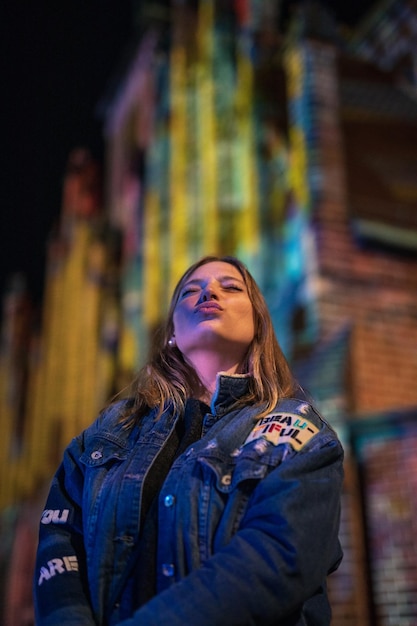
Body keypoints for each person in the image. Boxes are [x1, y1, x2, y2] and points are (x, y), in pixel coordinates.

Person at [33, 255, 344, 626]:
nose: (209, 292)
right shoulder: (109, 430)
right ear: (172, 334)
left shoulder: (295, 429)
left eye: (230, 287)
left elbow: (276, 557)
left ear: (259, 323)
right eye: (190, 291)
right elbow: (60, 539)